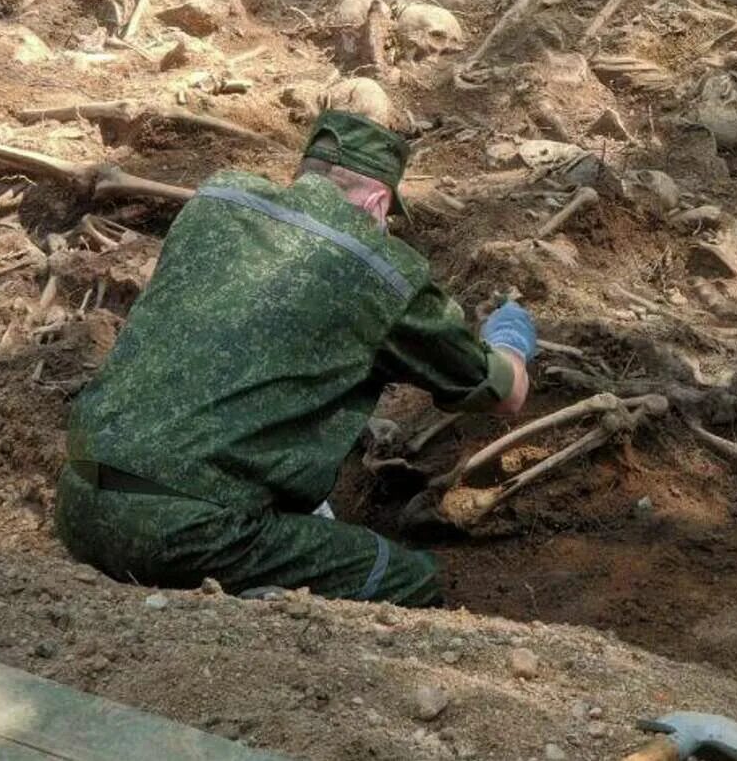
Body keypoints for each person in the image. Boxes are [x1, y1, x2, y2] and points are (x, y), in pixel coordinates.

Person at [56, 112, 537, 606]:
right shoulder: (381, 271)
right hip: (186, 537)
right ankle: (259, 610)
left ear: (307, 172)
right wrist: (510, 336)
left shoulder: (218, 199)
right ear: (377, 201)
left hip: (78, 502)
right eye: (386, 217)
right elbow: (504, 392)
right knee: (411, 577)